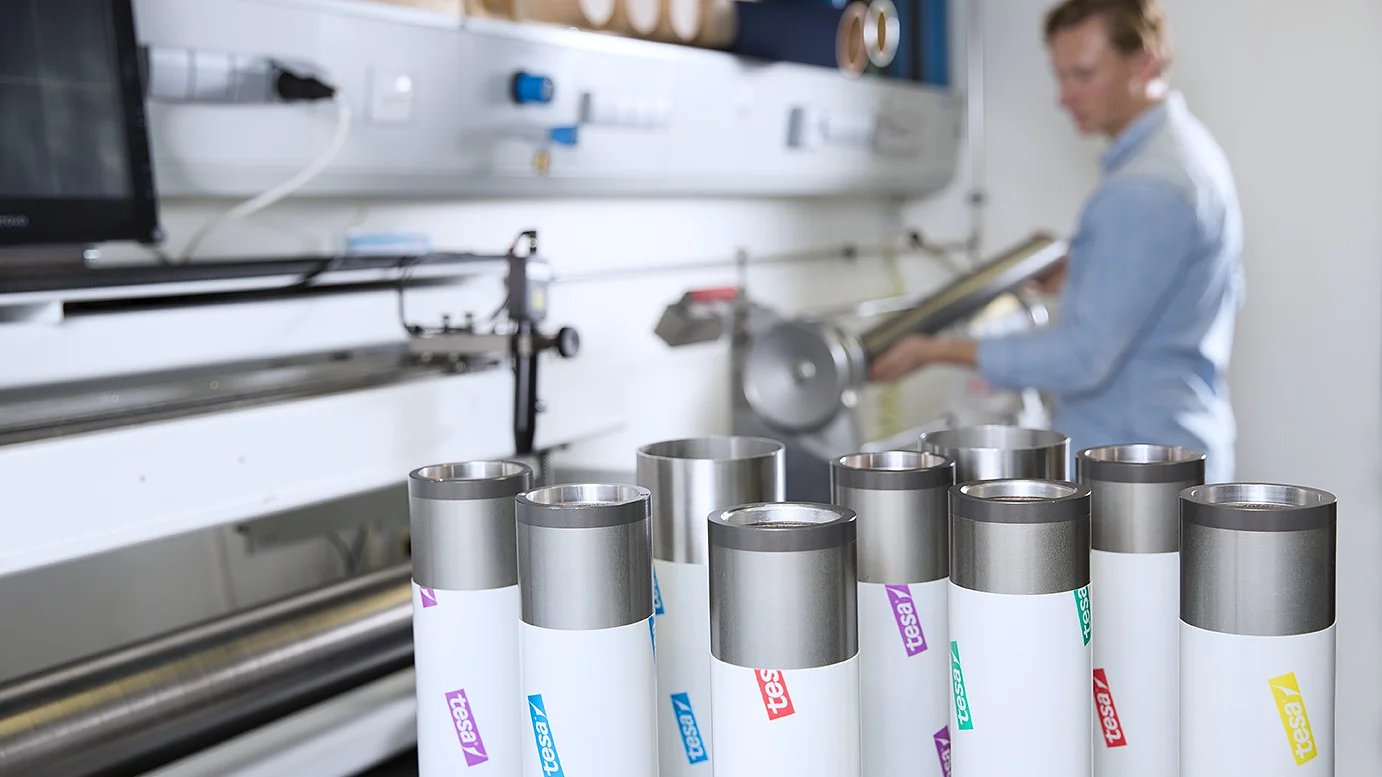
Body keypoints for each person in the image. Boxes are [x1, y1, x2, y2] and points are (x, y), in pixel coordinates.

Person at [870, 0, 1244, 483]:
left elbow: (1081, 358)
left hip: (1141, 470)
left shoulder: (1145, 186)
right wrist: (1084, 271)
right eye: (1059, 75)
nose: (1063, 96)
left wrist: (935, 351)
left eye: (1082, 75)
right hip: (1170, 448)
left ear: (1144, 63)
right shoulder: (1181, 154)